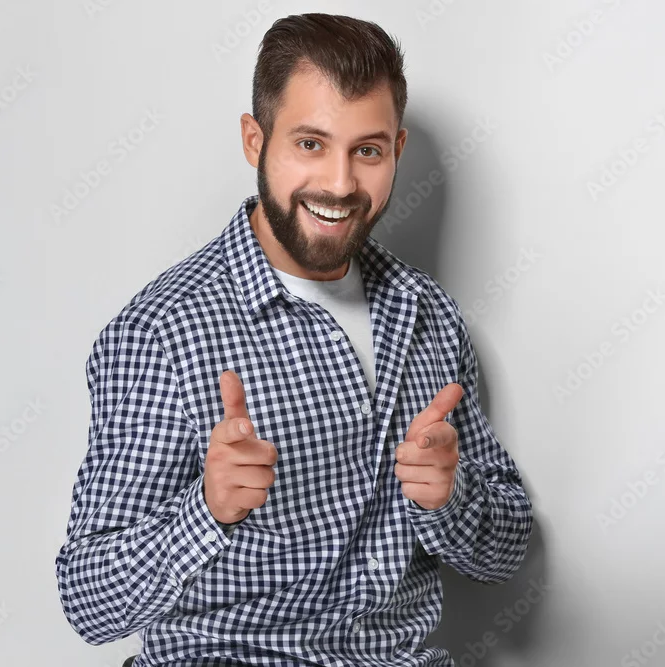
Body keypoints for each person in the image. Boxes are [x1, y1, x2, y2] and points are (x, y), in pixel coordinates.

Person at [55, 12, 534, 667]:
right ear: (255, 141)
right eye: (311, 144)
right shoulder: (163, 332)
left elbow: (505, 553)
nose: (339, 183)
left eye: (367, 151)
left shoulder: (429, 315)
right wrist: (207, 512)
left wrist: (450, 501)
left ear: (395, 151)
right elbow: (87, 603)